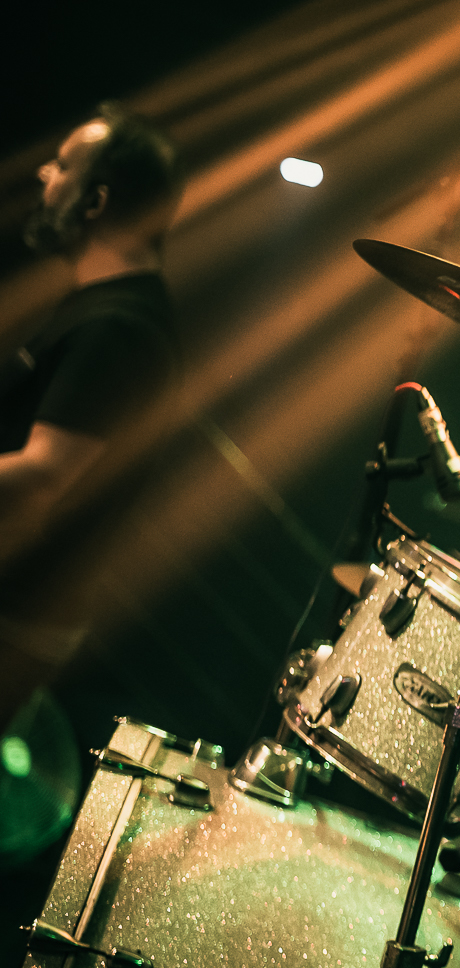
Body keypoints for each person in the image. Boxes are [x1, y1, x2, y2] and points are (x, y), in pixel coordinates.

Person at [0, 103, 184, 728]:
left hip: (13, 618)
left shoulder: (121, 328)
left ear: (95, 201)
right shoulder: (104, 307)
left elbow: (42, 477)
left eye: (61, 166)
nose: (43, 176)